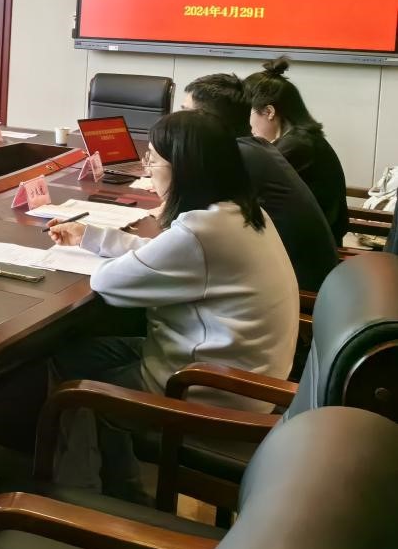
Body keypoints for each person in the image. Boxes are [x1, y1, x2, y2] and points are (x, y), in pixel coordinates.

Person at [47, 109, 297, 501]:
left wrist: (109, 256)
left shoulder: (201, 232)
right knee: (73, 356)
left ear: (183, 170)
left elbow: (108, 282)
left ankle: (78, 499)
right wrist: (91, 236)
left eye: (153, 161)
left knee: (75, 391)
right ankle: (123, 489)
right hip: (249, 378)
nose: (149, 173)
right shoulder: (241, 213)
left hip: (207, 390)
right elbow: (163, 252)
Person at [182, 72, 337, 291]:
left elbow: (195, 215)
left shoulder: (241, 155)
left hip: (301, 285)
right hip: (298, 267)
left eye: (186, 113)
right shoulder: (255, 147)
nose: (179, 121)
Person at [244, 57, 349, 243]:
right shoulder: (303, 140)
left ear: (269, 112)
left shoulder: (297, 147)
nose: (247, 125)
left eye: (247, 114)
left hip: (314, 247)